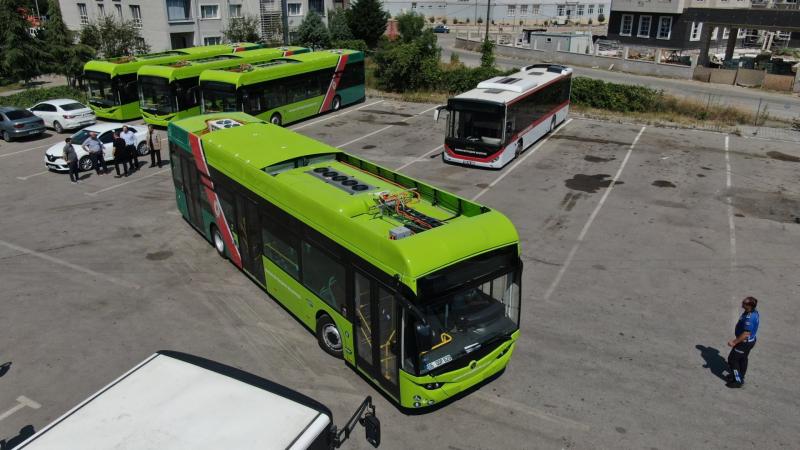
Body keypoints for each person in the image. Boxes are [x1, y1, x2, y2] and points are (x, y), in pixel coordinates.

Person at [726, 296, 760, 388]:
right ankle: (740, 375)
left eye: (744, 303)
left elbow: (746, 334)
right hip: (749, 342)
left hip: (744, 343)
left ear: (749, 306)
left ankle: (738, 381)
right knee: (743, 359)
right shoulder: (752, 312)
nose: (742, 303)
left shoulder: (749, 318)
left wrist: (734, 342)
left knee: (732, 360)